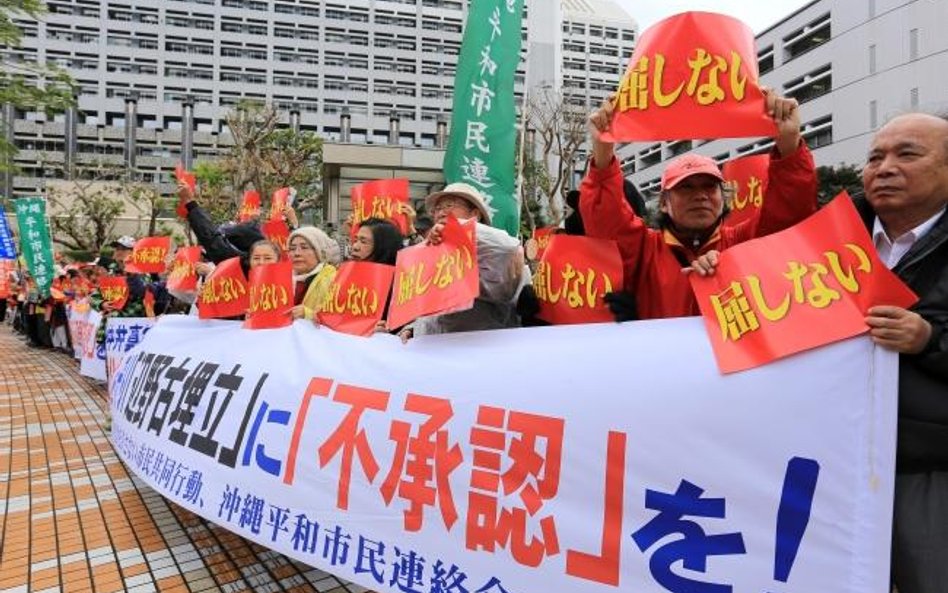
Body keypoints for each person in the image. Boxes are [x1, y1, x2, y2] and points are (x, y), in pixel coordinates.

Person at [580, 89, 818, 319]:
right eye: (686, 187)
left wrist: (788, 141)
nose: (700, 195)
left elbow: (788, 211)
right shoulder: (644, 249)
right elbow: (606, 220)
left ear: (721, 196)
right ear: (664, 203)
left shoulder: (743, 241)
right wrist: (603, 151)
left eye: (709, 186)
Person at [861, 112, 948, 593]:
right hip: (839, 460)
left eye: (907, 154)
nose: (885, 167)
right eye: (875, 157)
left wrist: (926, 339)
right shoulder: (827, 242)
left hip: (929, 467)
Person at [403, 182, 526, 338]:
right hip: (435, 352)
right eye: (438, 209)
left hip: (477, 352)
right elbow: (431, 307)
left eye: (449, 206)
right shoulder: (438, 256)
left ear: (475, 214)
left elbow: (508, 247)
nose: (441, 213)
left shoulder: (490, 254)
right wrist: (414, 328)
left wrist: (457, 227)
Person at [287, 226, 339, 320]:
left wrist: (308, 314)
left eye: (304, 247)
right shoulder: (282, 279)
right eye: (292, 248)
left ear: (320, 253)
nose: (297, 253)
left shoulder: (334, 280)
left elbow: (338, 318)